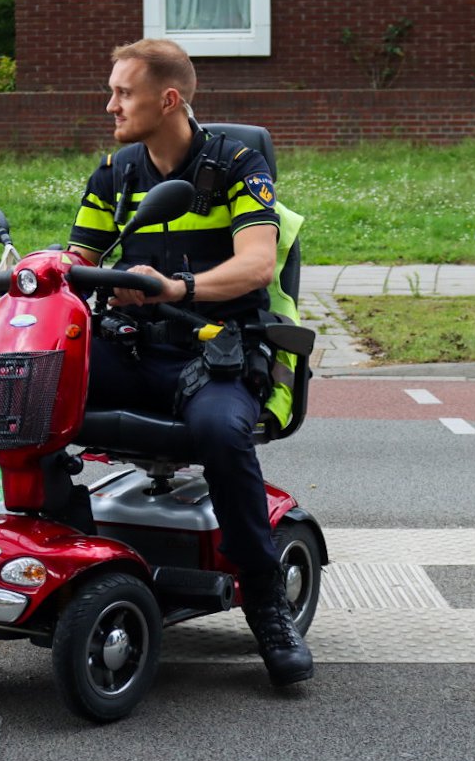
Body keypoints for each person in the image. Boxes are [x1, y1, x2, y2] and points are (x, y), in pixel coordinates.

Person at [67, 38, 313, 687]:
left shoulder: (237, 163)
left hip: (213, 352)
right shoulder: (115, 174)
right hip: (131, 346)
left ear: (167, 98)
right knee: (38, 385)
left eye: (123, 92)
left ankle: (264, 605)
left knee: (219, 431)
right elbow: (76, 260)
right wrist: (54, 280)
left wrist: (173, 288)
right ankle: (61, 556)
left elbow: (257, 262)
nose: (110, 104)